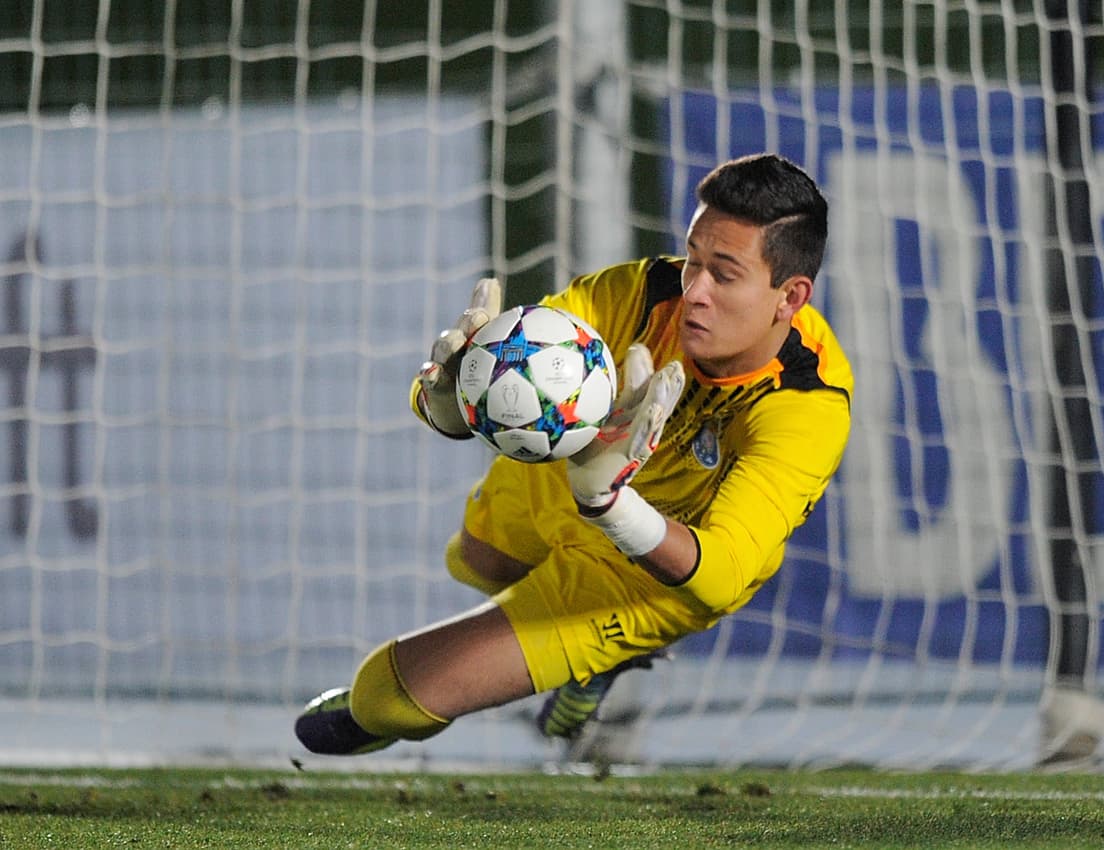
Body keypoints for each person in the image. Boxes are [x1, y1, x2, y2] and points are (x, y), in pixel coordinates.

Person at [294, 152, 854, 757]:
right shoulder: (638, 293)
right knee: (473, 559)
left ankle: (604, 655)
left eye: (724, 275)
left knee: (383, 698)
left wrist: (610, 504)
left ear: (790, 296)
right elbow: (507, 369)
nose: (694, 291)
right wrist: (448, 400)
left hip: (645, 568)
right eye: (693, 260)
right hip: (572, 473)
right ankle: (576, 647)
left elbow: (720, 576)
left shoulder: (807, 406)